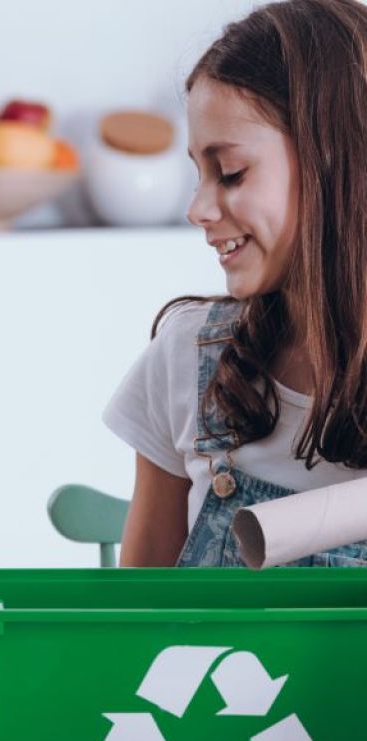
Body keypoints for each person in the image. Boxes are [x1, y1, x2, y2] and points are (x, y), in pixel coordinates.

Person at [104, 0, 367, 567]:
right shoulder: (187, 360)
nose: (198, 209)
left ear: (334, 160)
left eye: (231, 173)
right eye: (199, 173)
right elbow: (143, 629)